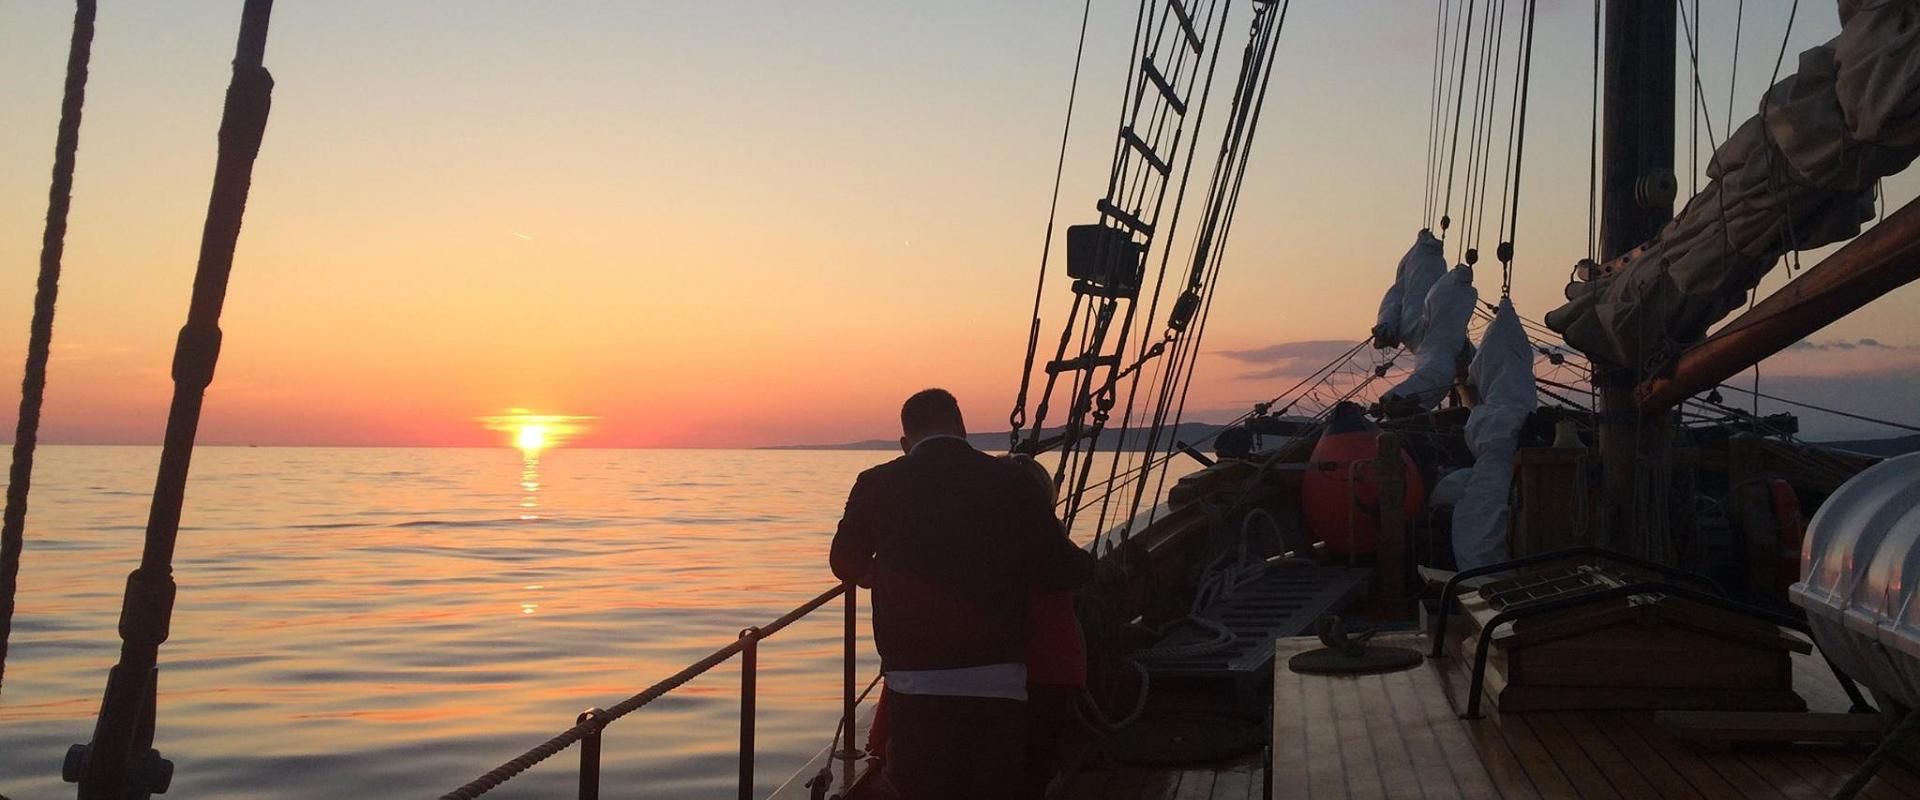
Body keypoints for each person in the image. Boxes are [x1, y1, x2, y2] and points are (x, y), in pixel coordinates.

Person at [830, 388, 1093, 800]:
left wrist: (878, 573)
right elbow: (1063, 568)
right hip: (998, 679)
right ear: (963, 429)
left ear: (905, 442)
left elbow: (843, 562)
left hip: (914, 679)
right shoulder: (1013, 480)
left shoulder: (876, 482)